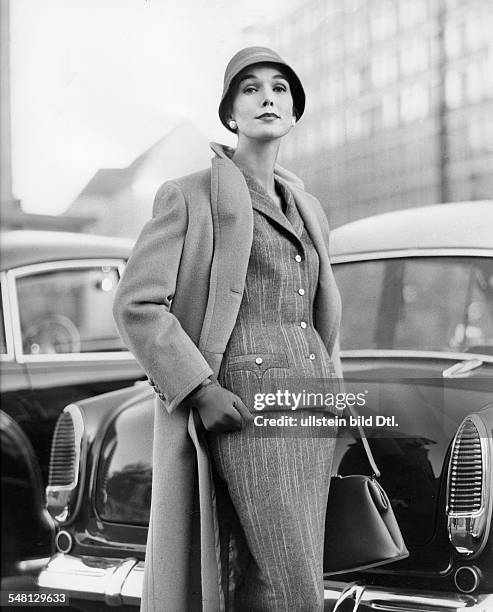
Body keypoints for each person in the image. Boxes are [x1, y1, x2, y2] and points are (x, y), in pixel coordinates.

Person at [113, 46, 342, 612]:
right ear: (230, 114)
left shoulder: (306, 205)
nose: (268, 96)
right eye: (251, 88)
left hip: (311, 409)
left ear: (293, 112)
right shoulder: (189, 195)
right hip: (246, 409)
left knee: (269, 580)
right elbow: (137, 303)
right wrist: (199, 387)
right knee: (296, 590)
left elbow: (318, 316)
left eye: (281, 88)